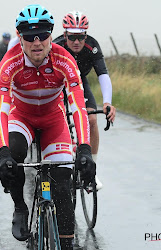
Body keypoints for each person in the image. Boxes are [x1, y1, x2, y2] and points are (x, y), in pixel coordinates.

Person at [0, 4, 96, 249]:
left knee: (62, 180)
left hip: (53, 120)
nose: (36, 41)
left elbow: (78, 105)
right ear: (20, 38)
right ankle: (20, 207)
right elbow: (1, 109)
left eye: (43, 34)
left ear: (52, 35)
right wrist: (3, 152)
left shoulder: (64, 59)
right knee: (15, 155)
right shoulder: (10, 63)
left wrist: (83, 147)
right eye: (29, 35)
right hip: (23, 118)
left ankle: (66, 242)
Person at [53, 11, 116, 190]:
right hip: (58, 84)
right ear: (65, 35)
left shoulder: (92, 46)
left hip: (80, 83)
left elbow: (103, 74)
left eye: (81, 37)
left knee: (91, 119)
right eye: (72, 37)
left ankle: (91, 171)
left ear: (85, 35)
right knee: (58, 121)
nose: (77, 42)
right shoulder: (56, 46)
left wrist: (107, 102)